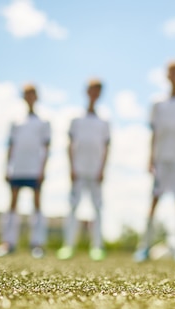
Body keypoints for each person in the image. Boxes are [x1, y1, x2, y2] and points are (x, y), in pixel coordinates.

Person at [134, 60, 175, 263]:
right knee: (154, 201)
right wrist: (150, 158)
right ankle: (144, 246)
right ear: (166, 75)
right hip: (161, 160)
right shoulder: (157, 104)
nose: (174, 76)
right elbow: (153, 133)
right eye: (171, 72)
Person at [0, 83, 51, 258]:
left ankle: (37, 244)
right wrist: (7, 167)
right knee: (12, 204)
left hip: (35, 169)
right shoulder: (16, 122)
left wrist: (42, 169)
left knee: (37, 205)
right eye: (27, 94)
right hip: (18, 168)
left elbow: (46, 148)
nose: (30, 97)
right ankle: (8, 242)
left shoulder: (43, 123)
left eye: (32, 94)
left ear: (37, 96)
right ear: (23, 97)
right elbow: (10, 146)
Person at [57, 78, 111, 261]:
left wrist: (102, 169)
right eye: (92, 90)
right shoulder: (76, 119)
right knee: (73, 208)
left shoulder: (104, 122)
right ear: (87, 92)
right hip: (78, 170)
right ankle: (69, 245)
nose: (94, 94)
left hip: (95, 172)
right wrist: (71, 167)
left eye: (98, 91)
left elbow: (106, 147)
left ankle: (97, 246)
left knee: (97, 209)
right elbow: (70, 145)